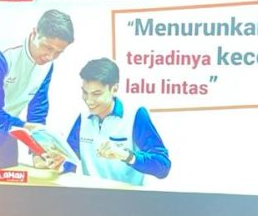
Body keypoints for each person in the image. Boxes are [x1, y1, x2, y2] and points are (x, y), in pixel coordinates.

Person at [50, 58, 170, 186]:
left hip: (128, 196)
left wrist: (126, 155)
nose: (89, 100)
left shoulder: (135, 114)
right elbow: (70, 159)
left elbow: (163, 166)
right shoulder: (83, 116)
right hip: (91, 195)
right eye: (85, 92)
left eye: (96, 94)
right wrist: (57, 162)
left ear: (114, 89)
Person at [0, 9, 74, 171]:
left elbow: (37, 112)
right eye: (47, 47)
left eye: (58, 52)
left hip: (7, 128)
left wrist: (38, 153)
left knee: (8, 182)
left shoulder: (47, 66)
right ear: (34, 33)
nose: (50, 56)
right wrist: (29, 128)